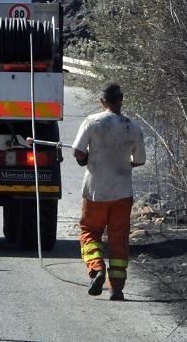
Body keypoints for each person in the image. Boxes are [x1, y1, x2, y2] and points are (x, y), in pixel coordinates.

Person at [71, 81, 146, 301]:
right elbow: (139, 160)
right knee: (119, 239)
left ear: (102, 101)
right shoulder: (133, 127)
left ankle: (96, 270)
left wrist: (87, 158)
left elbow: (77, 152)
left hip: (95, 192)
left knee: (90, 232)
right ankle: (117, 289)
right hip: (122, 193)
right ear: (121, 100)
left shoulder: (92, 122)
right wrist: (123, 163)